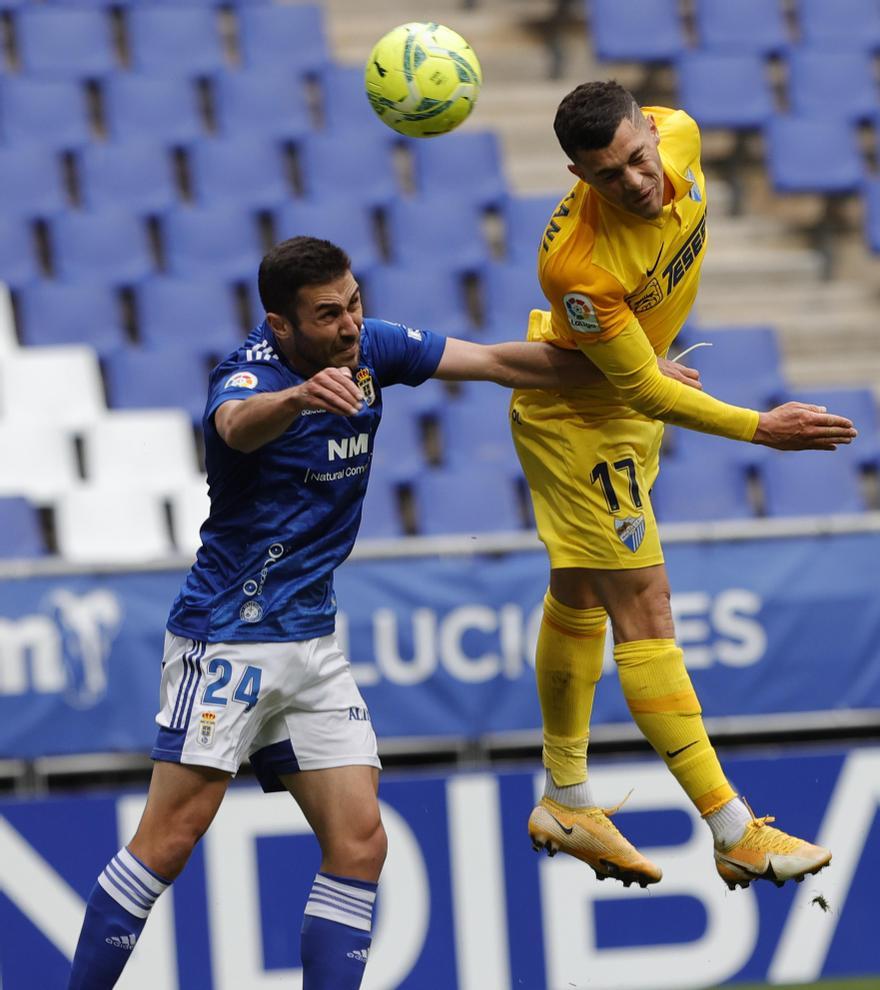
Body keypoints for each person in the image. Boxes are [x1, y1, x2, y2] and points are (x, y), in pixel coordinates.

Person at [68, 235, 707, 989]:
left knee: (361, 842)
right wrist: (300, 398)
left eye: (354, 304)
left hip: (312, 639)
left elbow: (503, 362)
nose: (348, 326)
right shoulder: (249, 376)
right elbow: (237, 424)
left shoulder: (371, 350)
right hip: (231, 636)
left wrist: (628, 375)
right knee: (167, 842)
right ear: (281, 325)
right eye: (328, 314)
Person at [509, 81, 857, 891]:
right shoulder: (576, 265)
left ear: (648, 130)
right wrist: (759, 427)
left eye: (637, 159)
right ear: (576, 174)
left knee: (580, 597)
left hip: (617, 410)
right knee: (647, 607)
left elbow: (638, 377)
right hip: (580, 424)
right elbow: (638, 389)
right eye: (608, 176)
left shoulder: (683, 135)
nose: (635, 182)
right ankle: (732, 828)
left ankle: (565, 797)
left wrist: (635, 351)